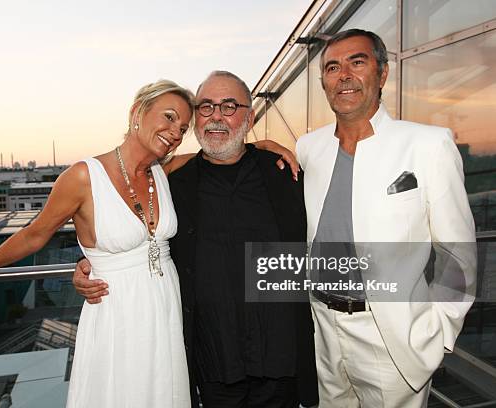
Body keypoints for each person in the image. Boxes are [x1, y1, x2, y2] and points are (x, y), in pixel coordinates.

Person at [0, 79, 196, 407]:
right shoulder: (83, 176)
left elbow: (218, 154)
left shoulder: (163, 172)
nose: (176, 132)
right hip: (117, 312)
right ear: (137, 112)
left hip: (164, 306)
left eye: (183, 127)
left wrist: (264, 146)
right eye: (169, 117)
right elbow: (34, 235)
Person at [75, 71, 319, 408]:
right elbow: (127, 230)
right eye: (206, 107)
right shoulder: (171, 184)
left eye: (229, 106)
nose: (216, 116)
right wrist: (88, 264)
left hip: (280, 358)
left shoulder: (284, 172)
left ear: (249, 118)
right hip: (214, 360)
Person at [295, 29, 476, 407]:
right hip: (323, 330)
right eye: (332, 67)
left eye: (356, 62)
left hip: (392, 338)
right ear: (324, 83)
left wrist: (439, 331)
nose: (343, 74)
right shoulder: (309, 148)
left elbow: (457, 254)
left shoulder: (428, 144)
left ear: (382, 74)